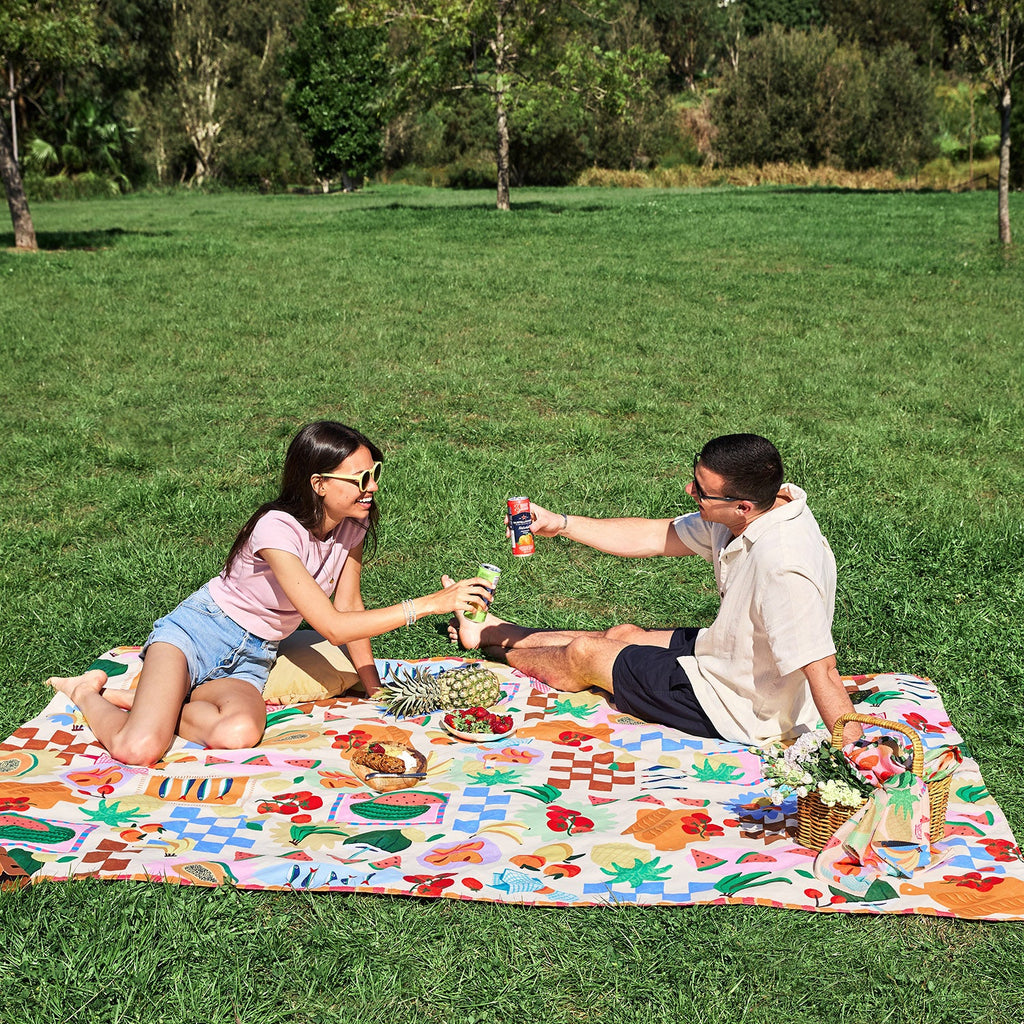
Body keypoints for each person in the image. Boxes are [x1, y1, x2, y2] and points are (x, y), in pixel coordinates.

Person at [46, 421, 492, 766]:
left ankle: (159, 704)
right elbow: (333, 627)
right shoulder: (276, 528)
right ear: (319, 484)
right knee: (139, 748)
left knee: (237, 732)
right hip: (197, 634)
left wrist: (372, 689)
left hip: (255, 654)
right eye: (359, 478)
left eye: (374, 473)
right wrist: (431, 604)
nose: (371, 486)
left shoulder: (352, 526)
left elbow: (349, 605)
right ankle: (88, 693)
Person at [448, 433, 858, 746]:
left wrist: (858, 754)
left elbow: (822, 670)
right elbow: (652, 535)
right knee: (624, 636)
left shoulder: (784, 565)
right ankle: (488, 630)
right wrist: (560, 523)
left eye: (700, 491)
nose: (689, 493)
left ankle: (494, 644)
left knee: (585, 655)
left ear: (742, 505)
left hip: (740, 706)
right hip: (729, 655)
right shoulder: (750, 513)